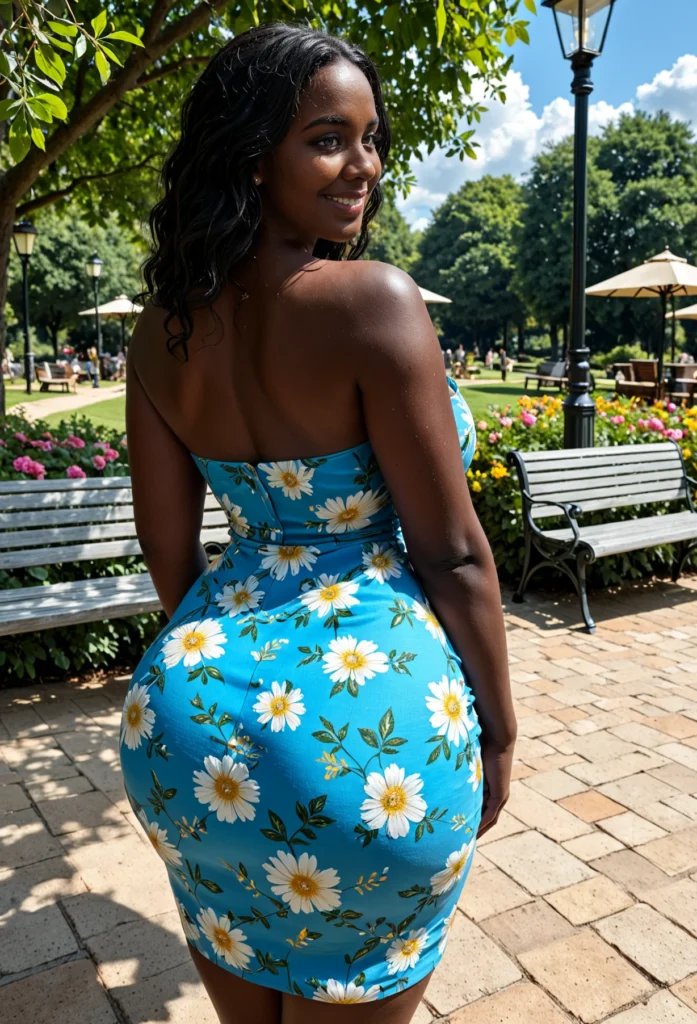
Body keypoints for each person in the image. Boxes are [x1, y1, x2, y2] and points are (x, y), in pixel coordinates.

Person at [121, 24, 515, 1024]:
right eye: (328, 138)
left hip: (188, 731)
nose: (365, 165)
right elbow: (454, 552)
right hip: (364, 749)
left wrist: (223, 667)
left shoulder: (162, 330)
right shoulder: (370, 302)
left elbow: (170, 553)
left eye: (371, 137)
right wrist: (498, 734)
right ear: (255, 154)